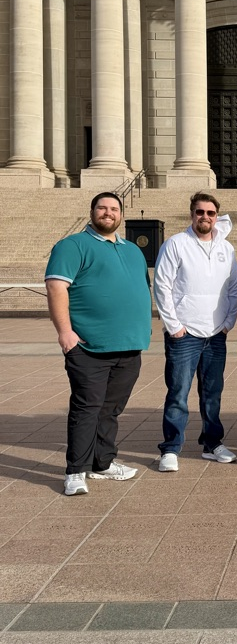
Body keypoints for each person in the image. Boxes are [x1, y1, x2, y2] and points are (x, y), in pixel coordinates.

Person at [45, 192, 152, 496]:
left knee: (111, 410)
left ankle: (102, 463)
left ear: (121, 214)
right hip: (89, 346)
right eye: (102, 208)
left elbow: (139, 289)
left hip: (129, 347)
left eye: (114, 209)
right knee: (87, 408)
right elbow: (56, 287)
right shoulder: (72, 245)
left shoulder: (132, 250)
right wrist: (65, 333)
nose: (108, 213)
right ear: (92, 212)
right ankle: (75, 471)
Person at [153, 192, 237, 472]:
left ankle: (212, 443)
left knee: (212, 393)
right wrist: (174, 326)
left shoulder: (226, 249)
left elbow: (234, 287)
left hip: (216, 334)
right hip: (185, 334)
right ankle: (171, 448)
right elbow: (162, 285)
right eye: (200, 212)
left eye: (210, 213)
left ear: (217, 216)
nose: (205, 217)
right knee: (178, 393)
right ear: (192, 214)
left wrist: (229, 322)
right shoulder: (176, 244)